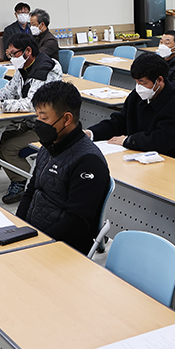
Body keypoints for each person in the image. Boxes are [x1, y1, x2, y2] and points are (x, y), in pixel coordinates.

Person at [17, 81, 112, 255]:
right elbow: (31, 190)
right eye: (37, 116)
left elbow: (77, 222)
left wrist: (39, 244)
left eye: (44, 118)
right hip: (34, 236)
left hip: (62, 249)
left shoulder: (88, 161)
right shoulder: (49, 146)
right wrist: (19, 226)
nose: (39, 123)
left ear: (67, 119)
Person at [0, 33, 63, 204]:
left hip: (49, 126)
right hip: (30, 123)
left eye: (14, 54)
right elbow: (7, 91)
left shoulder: (46, 68)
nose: (11, 58)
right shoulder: (24, 67)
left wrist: (0, 106)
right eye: (9, 54)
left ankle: (27, 182)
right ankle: (20, 178)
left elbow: (33, 104)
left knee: (8, 147)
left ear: (27, 51)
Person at [86, 52, 175, 160]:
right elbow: (119, 122)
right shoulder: (137, 96)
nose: (139, 87)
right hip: (135, 153)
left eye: (143, 82)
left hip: (164, 159)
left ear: (159, 80)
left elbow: (161, 140)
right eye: (136, 82)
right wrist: (92, 133)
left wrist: (128, 140)